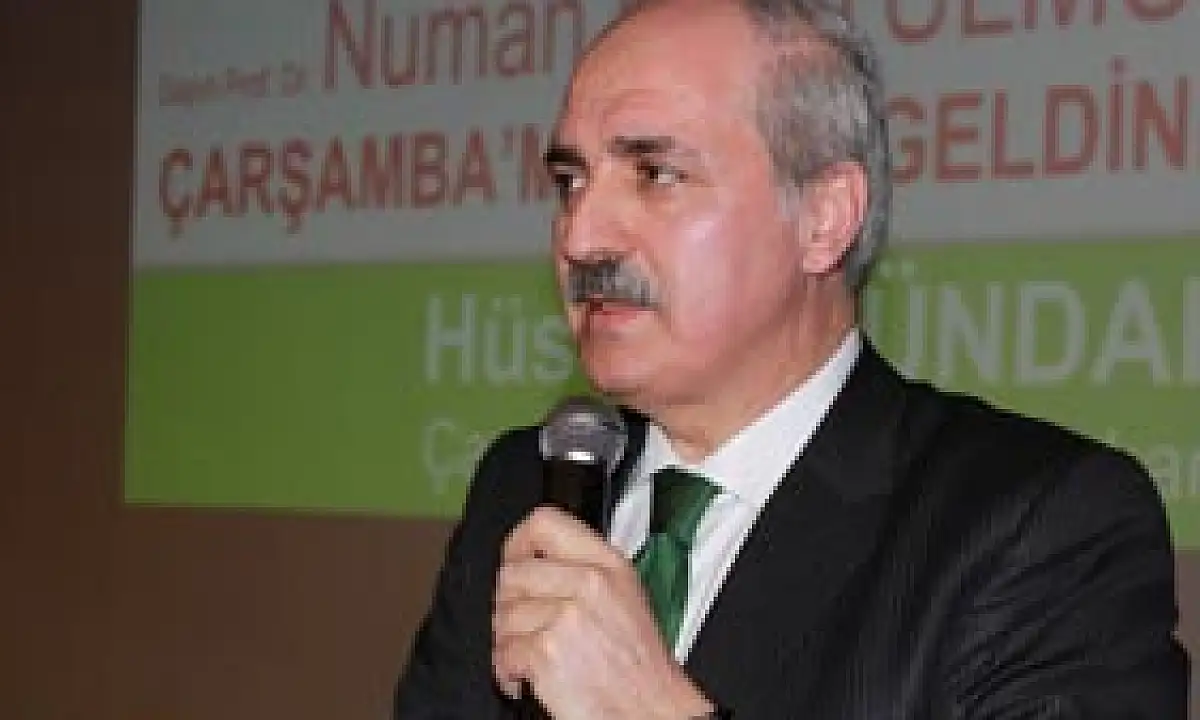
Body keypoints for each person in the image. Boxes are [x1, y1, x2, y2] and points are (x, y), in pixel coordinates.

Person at [394, 0, 1189, 717]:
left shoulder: (1039, 527)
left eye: (655, 174)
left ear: (824, 218)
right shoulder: (524, 488)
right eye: (572, 181)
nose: (580, 235)